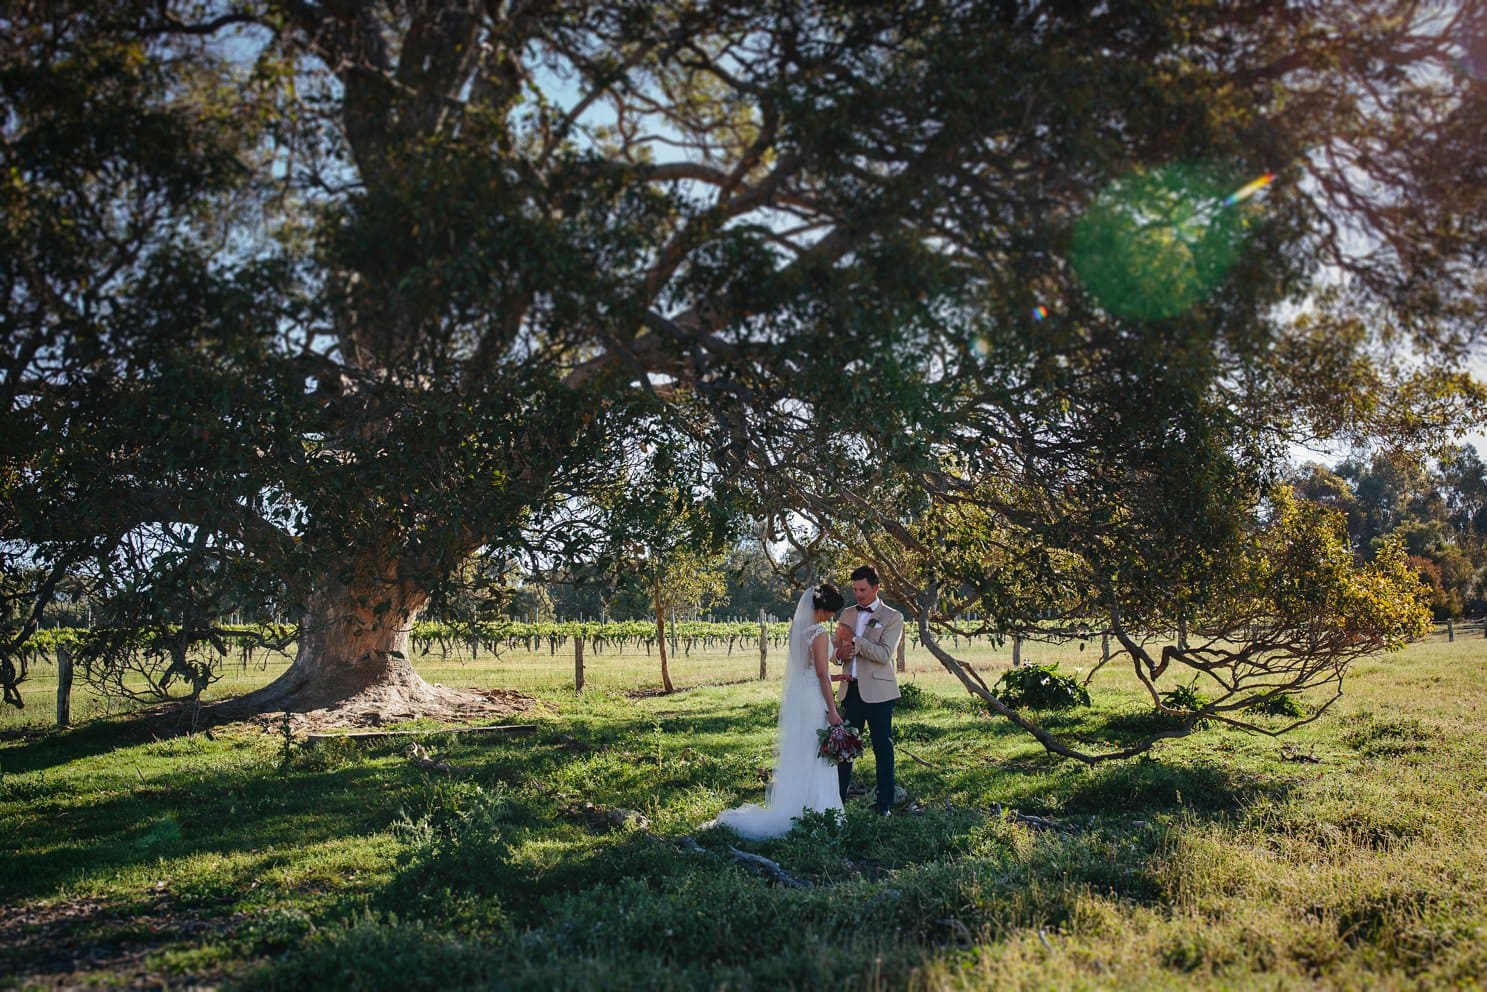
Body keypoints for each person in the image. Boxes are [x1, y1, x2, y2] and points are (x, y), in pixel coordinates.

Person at [712, 582, 846, 839]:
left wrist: (838, 676)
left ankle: (795, 806)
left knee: (801, 749)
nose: (832, 616)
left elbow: (807, 670)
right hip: (814, 698)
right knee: (816, 752)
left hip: (801, 696)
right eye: (831, 611)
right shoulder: (819, 633)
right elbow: (821, 674)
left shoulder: (798, 630)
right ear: (822, 609)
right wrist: (832, 709)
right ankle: (817, 810)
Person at [834, 565, 902, 816]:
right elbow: (834, 649)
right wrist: (839, 653)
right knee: (844, 749)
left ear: (876, 588)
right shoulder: (847, 613)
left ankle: (884, 804)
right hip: (850, 690)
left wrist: (855, 640)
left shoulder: (893, 617)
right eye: (854, 589)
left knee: (882, 748)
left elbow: (884, 654)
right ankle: (837, 802)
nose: (858, 595)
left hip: (879, 693)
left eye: (862, 589)